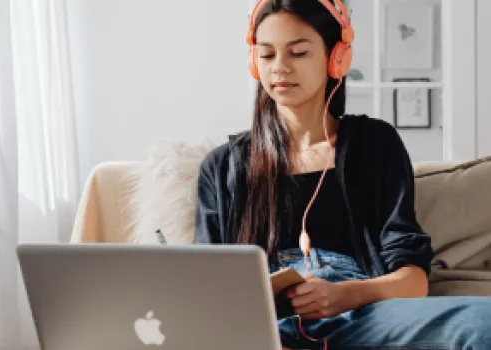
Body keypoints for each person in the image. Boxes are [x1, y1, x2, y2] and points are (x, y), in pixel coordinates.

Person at [194, 0, 491, 349]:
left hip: (363, 317)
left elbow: (413, 281)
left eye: (299, 52)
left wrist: (346, 295)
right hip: (268, 329)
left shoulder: (375, 144)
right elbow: (206, 288)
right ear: (254, 63)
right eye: (268, 54)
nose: (280, 68)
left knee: (482, 322)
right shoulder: (223, 166)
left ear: (336, 58)